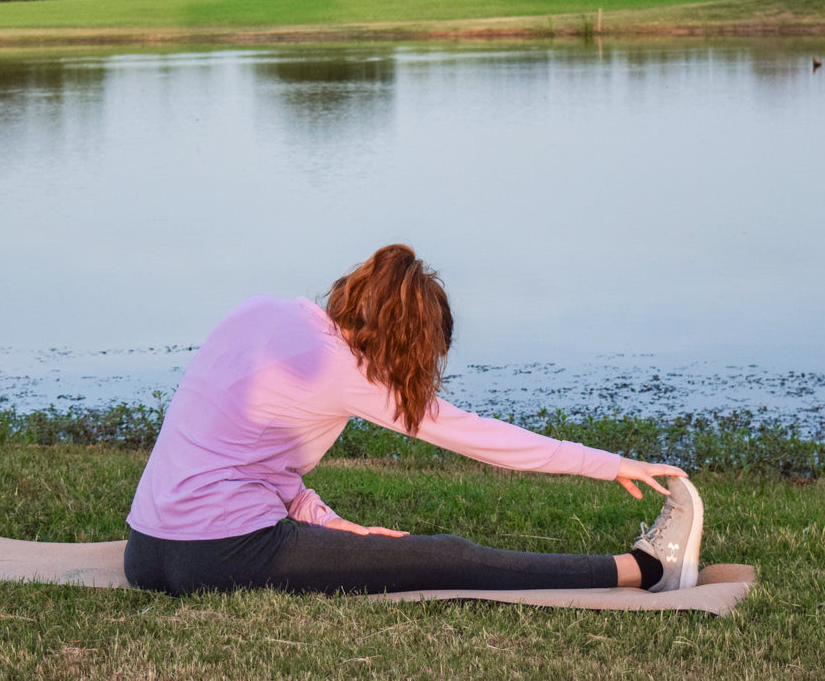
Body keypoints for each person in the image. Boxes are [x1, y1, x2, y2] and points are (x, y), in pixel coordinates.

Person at [124, 244, 704, 597]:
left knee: (385, 546)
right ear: (412, 340)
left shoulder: (262, 311)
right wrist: (607, 464)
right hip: (224, 554)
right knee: (448, 556)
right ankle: (649, 569)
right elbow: (482, 438)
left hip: (146, 549)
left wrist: (336, 528)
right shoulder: (346, 371)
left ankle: (645, 567)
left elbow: (242, 458)